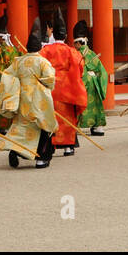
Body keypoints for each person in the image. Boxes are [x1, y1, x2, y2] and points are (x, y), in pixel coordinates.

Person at [0, 19, 57, 169]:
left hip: (22, 98)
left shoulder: (19, 61)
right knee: (43, 126)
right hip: (39, 100)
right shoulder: (43, 62)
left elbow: (8, 76)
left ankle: (15, 150)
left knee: (21, 126)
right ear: (39, 47)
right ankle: (41, 158)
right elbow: (50, 80)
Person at [40, 11, 87, 156]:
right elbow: (80, 67)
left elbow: (39, 66)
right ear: (65, 36)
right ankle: (68, 147)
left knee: (50, 116)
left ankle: (51, 144)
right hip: (68, 89)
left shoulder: (45, 50)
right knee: (67, 118)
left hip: (50, 88)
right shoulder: (72, 51)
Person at [72, 20, 108, 137]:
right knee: (96, 105)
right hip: (94, 83)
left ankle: (76, 127)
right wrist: (98, 82)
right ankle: (98, 127)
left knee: (79, 104)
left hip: (83, 82)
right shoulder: (92, 53)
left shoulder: (76, 54)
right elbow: (102, 71)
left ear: (78, 43)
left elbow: (75, 70)